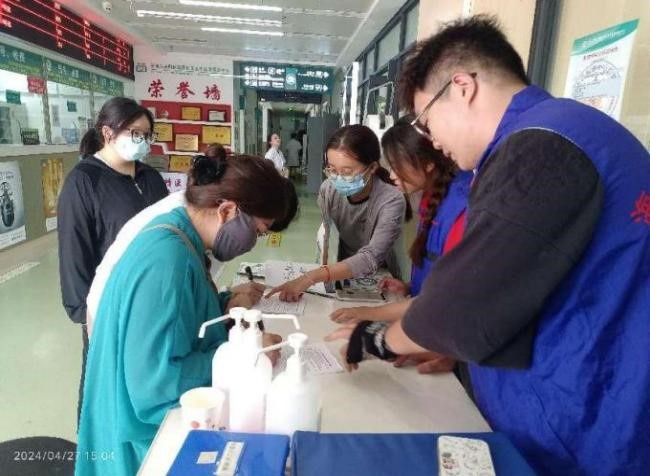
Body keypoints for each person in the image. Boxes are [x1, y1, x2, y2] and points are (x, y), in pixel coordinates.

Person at [327, 16, 650, 475]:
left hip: (588, 412)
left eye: (427, 120)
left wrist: (374, 340)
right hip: (584, 388)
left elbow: (466, 301)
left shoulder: (542, 147)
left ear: (462, 87)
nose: (432, 140)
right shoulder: (567, 130)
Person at [75, 155, 296, 476]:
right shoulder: (168, 260)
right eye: (258, 231)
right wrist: (247, 355)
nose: (253, 243)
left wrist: (225, 304)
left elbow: (185, 312)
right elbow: (157, 385)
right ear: (227, 211)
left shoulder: (181, 234)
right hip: (139, 445)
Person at [328, 119, 472, 374]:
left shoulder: (462, 209)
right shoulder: (430, 198)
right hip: (427, 326)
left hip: (447, 339)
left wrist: (372, 316)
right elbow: (437, 275)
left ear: (427, 163)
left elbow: (451, 298)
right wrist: (409, 286)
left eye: (397, 166)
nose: (392, 175)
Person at [57, 97, 168, 422]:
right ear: (108, 132)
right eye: (135, 133)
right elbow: (74, 250)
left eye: (147, 135)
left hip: (151, 301)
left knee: (143, 382)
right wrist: (85, 312)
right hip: (107, 307)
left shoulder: (150, 178)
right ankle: (93, 446)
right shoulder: (84, 182)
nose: (143, 141)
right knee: (103, 387)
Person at [268, 124, 407, 302]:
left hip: (379, 278)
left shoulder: (391, 200)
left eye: (346, 172)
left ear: (372, 168)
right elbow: (328, 236)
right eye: (332, 170)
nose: (338, 178)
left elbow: (371, 258)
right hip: (337, 271)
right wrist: (322, 271)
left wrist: (310, 278)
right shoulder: (328, 189)